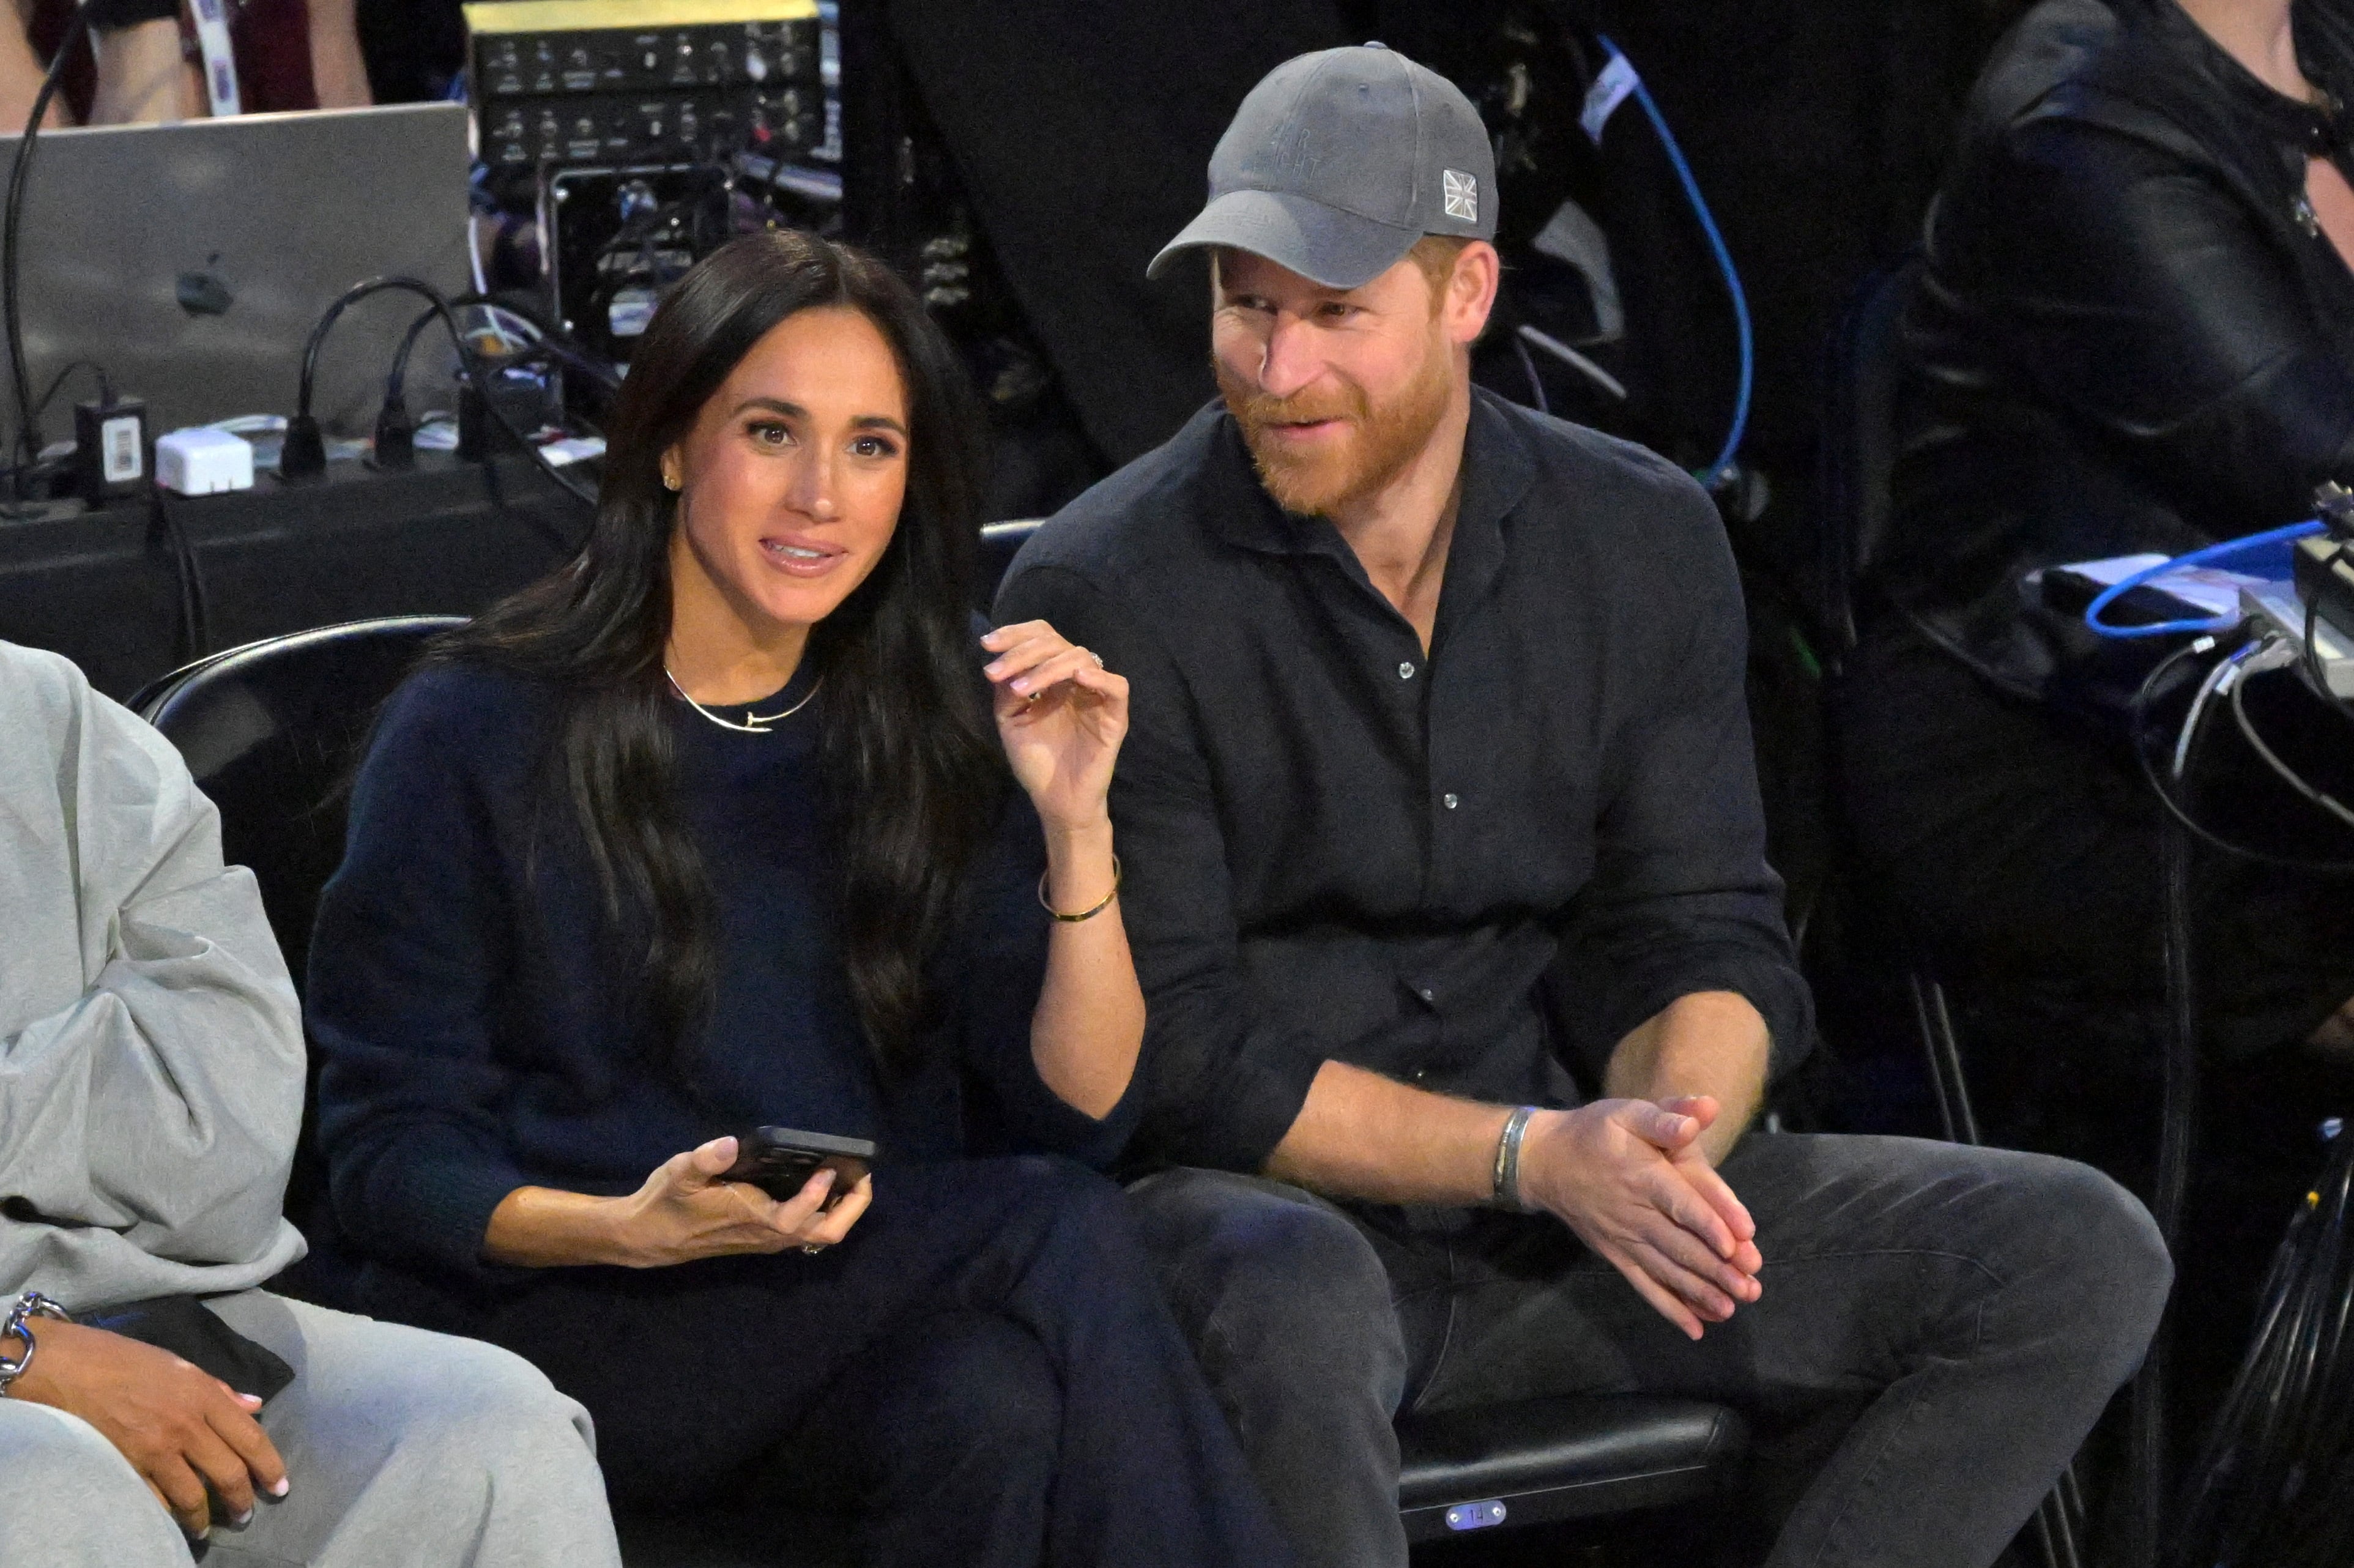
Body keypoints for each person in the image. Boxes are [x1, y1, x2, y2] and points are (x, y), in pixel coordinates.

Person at [997, 42, 2174, 1568]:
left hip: (1574, 1219)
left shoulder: (1639, 535)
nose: (1275, 371)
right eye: (1245, 305)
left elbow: (1703, 929)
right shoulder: (1108, 584)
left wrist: (1665, 1140)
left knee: (2071, 1252)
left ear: (1469, 295)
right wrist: (1533, 1153)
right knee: (1280, 1284)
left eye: (1335, 313)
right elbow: (1189, 1063)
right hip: (1278, 1230)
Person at [306, 231, 1293, 1568]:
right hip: (564, 1312)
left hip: (833, 1297)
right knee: (1053, 1231)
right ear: (668, 445)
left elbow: (1084, 1108)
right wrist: (627, 1231)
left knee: (985, 1406)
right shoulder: (477, 725)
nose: (823, 493)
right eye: (773, 431)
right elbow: (382, 1157)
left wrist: (1074, 826)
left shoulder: (928, 716)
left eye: (872, 446)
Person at [1839, 0, 2354, 1132]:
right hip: (2072, 759)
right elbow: (2313, 460)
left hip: (2295, 729)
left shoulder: (2329, 54)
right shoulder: (2081, 119)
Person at [0, 639, 619, 1568]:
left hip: (148, 1306)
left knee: (494, 1433)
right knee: (59, 1488)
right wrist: (21, 1358)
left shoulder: (47, 712)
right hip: (31, 1395)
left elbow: (228, 1130)